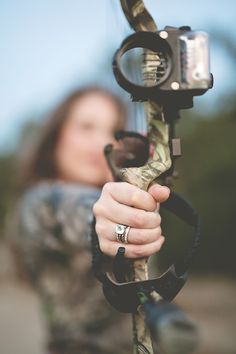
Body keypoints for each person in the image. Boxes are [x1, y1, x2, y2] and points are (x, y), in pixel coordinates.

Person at [12, 86, 170, 354]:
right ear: (56, 136)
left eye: (113, 131)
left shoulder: (123, 201)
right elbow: (75, 211)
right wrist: (106, 221)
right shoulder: (38, 203)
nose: (103, 143)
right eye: (86, 127)